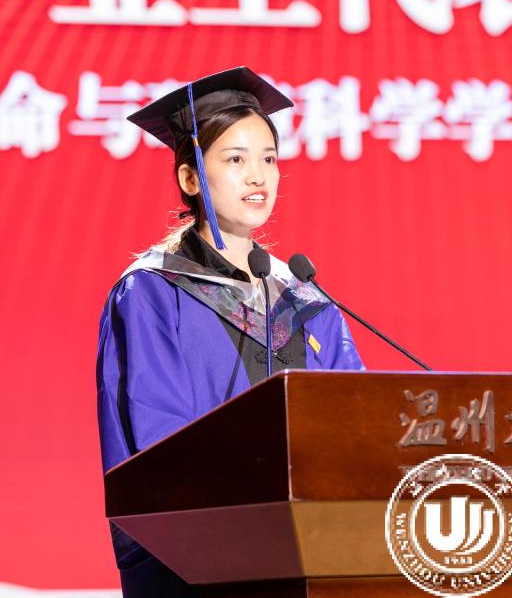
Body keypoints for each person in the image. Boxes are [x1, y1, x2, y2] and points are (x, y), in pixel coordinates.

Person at [95, 66, 365, 597]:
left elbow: (354, 419)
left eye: (269, 159)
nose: (257, 176)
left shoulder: (303, 297)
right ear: (191, 179)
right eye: (235, 160)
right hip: (205, 563)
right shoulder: (153, 292)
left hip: (316, 557)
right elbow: (157, 442)